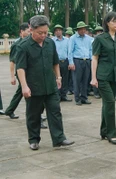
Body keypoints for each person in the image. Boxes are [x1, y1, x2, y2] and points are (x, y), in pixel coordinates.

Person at [15, 15, 74, 150]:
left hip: (50, 85)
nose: (43, 35)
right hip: (33, 86)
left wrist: (58, 77)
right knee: (33, 114)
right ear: (31, 29)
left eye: (45, 32)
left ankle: (59, 138)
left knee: (55, 111)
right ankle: (34, 139)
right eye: (39, 33)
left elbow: (55, 62)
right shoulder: (23, 46)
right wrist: (24, 86)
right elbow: (20, 68)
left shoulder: (50, 43)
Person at [90, 11, 116, 145]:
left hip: (114, 76)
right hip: (102, 76)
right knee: (110, 103)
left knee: (106, 105)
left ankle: (103, 131)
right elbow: (95, 58)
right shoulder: (100, 38)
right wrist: (93, 78)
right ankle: (111, 134)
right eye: (114, 21)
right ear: (107, 23)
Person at [4, 23, 31, 119]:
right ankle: (35, 116)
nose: (30, 33)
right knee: (28, 93)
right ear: (22, 32)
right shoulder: (17, 45)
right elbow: (12, 62)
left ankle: (9, 110)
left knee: (20, 92)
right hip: (21, 73)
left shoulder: (29, 43)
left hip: (28, 72)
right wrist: (12, 77)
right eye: (28, 31)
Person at [68, 21, 93, 106]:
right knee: (77, 80)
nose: (83, 31)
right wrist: (71, 63)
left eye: (84, 29)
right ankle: (77, 98)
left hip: (87, 60)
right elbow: (70, 51)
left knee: (85, 80)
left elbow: (90, 50)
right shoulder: (73, 38)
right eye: (81, 29)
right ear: (78, 30)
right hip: (77, 60)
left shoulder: (89, 38)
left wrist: (91, 60)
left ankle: (84, 97)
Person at [52, 24, 72, 102]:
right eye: (56, 31)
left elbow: (69, 52)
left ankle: (64, 95)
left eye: (59, 30)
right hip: (56, 62)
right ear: (54, 32)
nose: (58, 32)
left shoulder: (67, 40)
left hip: (65, 61)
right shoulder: (52, 41)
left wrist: (70, 62)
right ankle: (57, 95)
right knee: (57, 78)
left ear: (62, 31)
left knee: (65, 79)